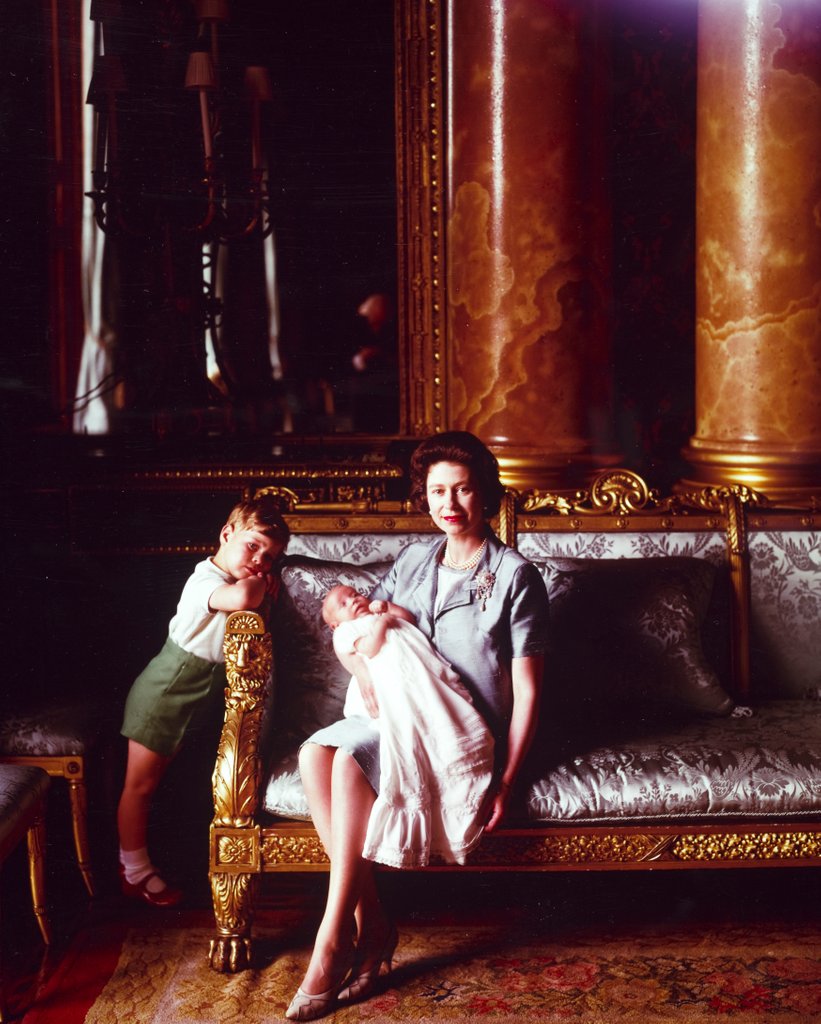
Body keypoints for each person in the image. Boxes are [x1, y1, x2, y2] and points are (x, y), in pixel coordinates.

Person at [287, 431, 549, 1021]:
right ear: (424, 497)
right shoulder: (412, 560)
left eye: (462, 489)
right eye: (437, 491)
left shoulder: (514, 576)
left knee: (349, 764)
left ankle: (332, 944)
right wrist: (369, 678)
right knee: (313, 756)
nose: (449, 503)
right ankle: (371, 923)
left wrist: (506, 780)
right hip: (399, 712)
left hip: (460, 729)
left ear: (486, 494)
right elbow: (353, 633)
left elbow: (528, 689)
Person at [117, 496, 289, 907]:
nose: (260, 561)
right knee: (139, 786)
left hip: (196, 698)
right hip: (164, 695)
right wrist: (262, 584)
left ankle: (150, 862)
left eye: (270, 557)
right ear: (226, 534)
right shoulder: (205, 581)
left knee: (170, 784)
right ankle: (133, 870)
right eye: (253, 546)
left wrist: (261, 583)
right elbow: (245, 599)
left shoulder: (237, 580)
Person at [320, 584, 494, 869]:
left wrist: (388, 609)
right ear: (334, 624)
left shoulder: (380, 611)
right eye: (343, 603)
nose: (353, 601)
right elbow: (371, 648)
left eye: (355, 594)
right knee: (412, 726)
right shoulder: (347, 632)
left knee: (450, 718)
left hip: (422, 675)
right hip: (393, 683)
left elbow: (410, 620)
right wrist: (384, 621)